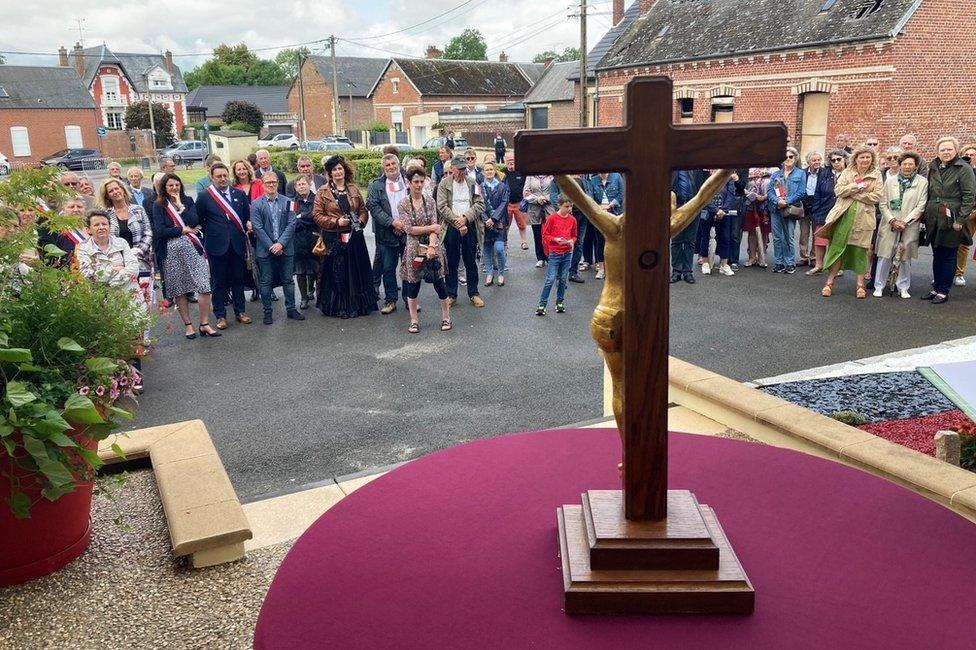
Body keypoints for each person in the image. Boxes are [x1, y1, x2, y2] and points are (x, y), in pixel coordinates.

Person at [150, 173, 220, 339]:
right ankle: (188, 325)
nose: (174, 188)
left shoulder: (188, 201)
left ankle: (204, 323)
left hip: (193, 249)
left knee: (204, 286)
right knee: (180, 290)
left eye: (177, 185)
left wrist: (181, 206)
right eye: (170, 186)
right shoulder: (159, 205)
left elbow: (194, 221)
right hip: (172, 253)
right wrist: (182, 229)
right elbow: (160, 231)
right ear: (164, 188)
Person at [313, 155, 378, 318]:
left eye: (340, 168)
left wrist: (361, 222)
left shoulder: (354, 189)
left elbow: (363, 210)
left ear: (344, 170)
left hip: (355, 236)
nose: (338, 172)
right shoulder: (322, 192)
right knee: (338, 273)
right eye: (334, 169)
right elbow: (317, 215)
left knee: (356, 270)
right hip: (334, 237)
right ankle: (340, 307)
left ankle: (359, 305)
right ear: (329, 173)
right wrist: (336, 221)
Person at [817, 145, 883, 299]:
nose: (865, 160)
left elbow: (877, 196)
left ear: (872, 159)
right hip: (844, 216)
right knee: (838, 248)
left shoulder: (876, 174)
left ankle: (860, 285)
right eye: (862, 157)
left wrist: (854, 195)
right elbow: (839, 191)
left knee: (861, 250)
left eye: (868, 157)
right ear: (856, 158)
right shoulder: (847, 172)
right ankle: (829, 282)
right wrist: (856, 187)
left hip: (864, 218)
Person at [196, 162, 252, 329]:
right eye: (218, 176)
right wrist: (215, 233)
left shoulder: (239, 194)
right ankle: (220, 316)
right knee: (218, 282)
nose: (222, 179)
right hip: (216, 246)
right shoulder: (205, 196)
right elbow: (201, 221)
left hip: (236, 244)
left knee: (238, 279)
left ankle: (240, 311)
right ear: (212, 178)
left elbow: (244, 218)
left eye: (224, 175)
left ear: (229, 176)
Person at [921, 136, 976, 304]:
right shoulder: (934, 167)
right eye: (942, 149)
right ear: (937, 152)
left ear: (956, 150)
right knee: (937, 253)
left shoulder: (964, 168)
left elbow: (969, 196)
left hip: (952, 216)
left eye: (949, 149)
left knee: (949, 253)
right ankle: (936, 287)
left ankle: (943, 291)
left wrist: (960, 219)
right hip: (933, 216)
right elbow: (929, 192)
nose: (946, 152)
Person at [398, 167, 452, 333]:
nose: (419, 185)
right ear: (409, 183)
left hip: (432, 248)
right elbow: (409, 229)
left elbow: (436, 230)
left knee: (440, 285)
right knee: (413, 286)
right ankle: (414, 320)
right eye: (415, 182)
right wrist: (431, 227)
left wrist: (432, 246)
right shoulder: (403, 204)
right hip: (414, 250)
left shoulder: (430, 201)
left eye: (422, 181)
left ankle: (446, 318)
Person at [251, 173, 303, 324]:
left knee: (288, 280)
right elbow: (258, 228)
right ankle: (267, 312)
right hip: (265, 250)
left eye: (274, 182)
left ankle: (291, 309)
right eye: (268, 183)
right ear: (262, 184)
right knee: (266, 281)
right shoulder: (256, 204)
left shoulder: (289, 202)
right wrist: (271, 246)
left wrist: (280, 244)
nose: (271, 185)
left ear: (278, 183)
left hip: (285, 248)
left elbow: (292, 223)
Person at [874, 151, 928, 298]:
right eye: (904, 164)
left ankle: (903, 286)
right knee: (885, 255)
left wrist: (905, 221)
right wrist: (892, 220)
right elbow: (883, 204)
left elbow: (921, 205)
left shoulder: (922, 182)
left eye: (911, 164)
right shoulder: (890, 181)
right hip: (890, 223)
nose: (907, 166)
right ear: (900, 165)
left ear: (916, 166)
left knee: (905, 257)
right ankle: (879, 285)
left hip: (909, 225)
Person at [437, 154, 486, 306]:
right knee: (452, 261)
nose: (461, 172)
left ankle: (474, 293)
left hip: (469, 225)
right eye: (458, 169)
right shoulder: (444, 184)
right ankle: (452, 294)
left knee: (470, 259)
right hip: (452, 227)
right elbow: (442, 206)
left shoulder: (473, 182)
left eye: (464, 169)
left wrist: (465, 218)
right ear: (452, 168)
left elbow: (480, 204)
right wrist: (458, 222)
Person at [100, 178, 153, 307]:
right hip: (118, 265)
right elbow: (104, 239)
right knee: (123, 302)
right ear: (107, 196)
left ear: (123, 190)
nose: (115, 192)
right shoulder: (106, 215)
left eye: (117, 188)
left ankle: (145, 328)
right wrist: (122, 258)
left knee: (144, 300)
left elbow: (148, 233)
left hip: (140, 260)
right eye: (111, 191)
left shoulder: (138, 210)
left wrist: (138, 251)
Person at [366, 154, 408, 314]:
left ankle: (408, 298)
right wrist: (392, 223)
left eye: (393, 163)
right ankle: (391, 300)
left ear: (399, 165)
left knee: (408, 267)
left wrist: (404, 224)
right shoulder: (376, 185)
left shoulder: (408, 181)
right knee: (388, 269)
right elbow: (374, 208)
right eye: (388, 165)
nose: (391, 167)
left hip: (407, 232)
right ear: (384, 168)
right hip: (386, 234)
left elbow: (415, 201)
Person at [535, 195, 578, 315]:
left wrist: (571, 241)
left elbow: (574, 235)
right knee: (550, 279)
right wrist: (555, 240)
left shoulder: (572, 220)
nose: (569, 209)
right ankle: (542, 304)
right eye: (566, 206)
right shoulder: (552, 218)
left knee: (563, 279)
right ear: (559, 205)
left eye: (571, 206)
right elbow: (545, 235)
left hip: (567, 252)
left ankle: (560, 302)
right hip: (555, 252)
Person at [767, 147, 806, 274]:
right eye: (786, 157)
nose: (788, 159)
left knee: (788, 236)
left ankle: (790, 263)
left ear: (795, 159)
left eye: (791, 157)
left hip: (790, 209)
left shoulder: (800, 174)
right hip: (776, 209)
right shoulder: (776, 174)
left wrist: (787, 201)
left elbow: (801, 192)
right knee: (777, 237)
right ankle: (779, 262)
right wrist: (777, 201)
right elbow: (770, 191)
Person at [807, 151, 846, 274]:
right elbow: (817, 191)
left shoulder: (849, 174)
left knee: (837, 241)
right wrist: (816, 209)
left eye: (838, 159)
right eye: (833, 160)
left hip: (841, 211)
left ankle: (836, 267)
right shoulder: (824, 173)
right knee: (820, 240)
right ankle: (819, 265)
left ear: (844, 159)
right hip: (823, 210)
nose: (836, 162)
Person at [696, 172, 737, 276]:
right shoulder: (705, 175)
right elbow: (703, 194)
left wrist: (723, 210)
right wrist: (715, 210)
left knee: (725, 237)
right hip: (708, 211)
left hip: (724, 212)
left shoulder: (727, 176)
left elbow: (731, 195)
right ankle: (705, 263)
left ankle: (724, 265)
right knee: (705, 237)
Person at [551, 174, 589, 283]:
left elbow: (588, 195)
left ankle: (573, 272)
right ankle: (560, 274)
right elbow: (554, 197)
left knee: (578, 243)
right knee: (562, 243)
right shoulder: (557, 180)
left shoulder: (583, 181)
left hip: (581, 216)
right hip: (565, 217)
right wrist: (564, 212)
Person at [670, 169, 707, 283]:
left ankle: (687, 272)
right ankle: (676, 271)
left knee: (690, 241)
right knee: (676, 241)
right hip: (677, 208)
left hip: (693, 208)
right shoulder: (672, 169)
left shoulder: (698, 169)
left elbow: (704, 187)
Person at [587, 172, 623, 280]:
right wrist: (599, 208)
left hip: (615, 213)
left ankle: (617, 268)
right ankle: (601, 268)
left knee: (617, 240)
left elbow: (621, 194)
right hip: (599, 215)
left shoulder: (617, 176)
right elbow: (590, 198)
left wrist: (610, 205)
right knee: (600, 241)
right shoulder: (593, 180)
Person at [289, 176, 318, 310]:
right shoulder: (292, 202)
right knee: (300, 271)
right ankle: (304, 298)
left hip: (315, 240)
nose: (301, 186)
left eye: (303, 184)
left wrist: (301, 216)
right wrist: (306, 217)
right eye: (298, 184)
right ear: (295, 188)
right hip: (298, 242)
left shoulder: (318, 199)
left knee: (318, 271)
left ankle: (321, 296)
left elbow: (317, 217)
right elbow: (291, 221)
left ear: (309, 184)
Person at [481, 161, 509, 286]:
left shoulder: (502, 186)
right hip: (484, 222)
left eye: (491, 169)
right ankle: (489, 273)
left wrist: (493, 219)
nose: (489, 172)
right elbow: (478, 205)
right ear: (483, 172)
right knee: (486, 249)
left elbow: (504, 204)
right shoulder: (479, 187)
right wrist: (485, 219)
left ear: (495, 170)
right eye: (486, 170)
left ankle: (501, 273)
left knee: (499, 249)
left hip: (499, 223)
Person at [955, 143, 976, 286]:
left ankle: (959, 273)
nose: (969, 157)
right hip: (963, 211)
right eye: (967, 155)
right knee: (960, 243)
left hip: (974, 211)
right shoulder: (959, 171)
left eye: (972, 155)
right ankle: (957, 273)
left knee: (965, 244)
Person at [799, 151, 824, 267]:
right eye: (814, 160)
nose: (817, 162)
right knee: (804, 233)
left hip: (818, 204)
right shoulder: (802, 173)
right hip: (804, 204)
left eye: (818, 160)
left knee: (816, 233)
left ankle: (814, 257)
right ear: (809, 161)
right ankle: (803, 256)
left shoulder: (824, 173)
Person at [523, 173, 554, 267]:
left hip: (550, 207)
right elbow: (526, 192)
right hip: (534, 208)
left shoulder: (553, 175)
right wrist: (537, 199)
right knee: (537, 234)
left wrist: (546, 198)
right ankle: (540, 258)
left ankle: (552, 257)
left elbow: (557, 191)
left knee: (551, 233)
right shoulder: (530, 175)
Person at [742, 168, 771, 268]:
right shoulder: (748, 168)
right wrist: (750, 194)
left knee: (764, 232)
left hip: (766, 207)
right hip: (751, 205)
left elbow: (776, 187)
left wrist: (764, 197)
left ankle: (761, 258)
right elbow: (742, 185)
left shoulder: (772, 169)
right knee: (751, 233)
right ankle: (751, 257)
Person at [503, 152, 530, 250]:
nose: (511, 162)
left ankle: (524, 242)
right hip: (506, 204)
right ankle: (504, 242)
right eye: (509, 160)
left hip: (519, 202)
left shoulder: (521, 172)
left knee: (522, 224)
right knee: (505, 225)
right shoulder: (502, 172)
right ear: (505, 161)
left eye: (512, 160)